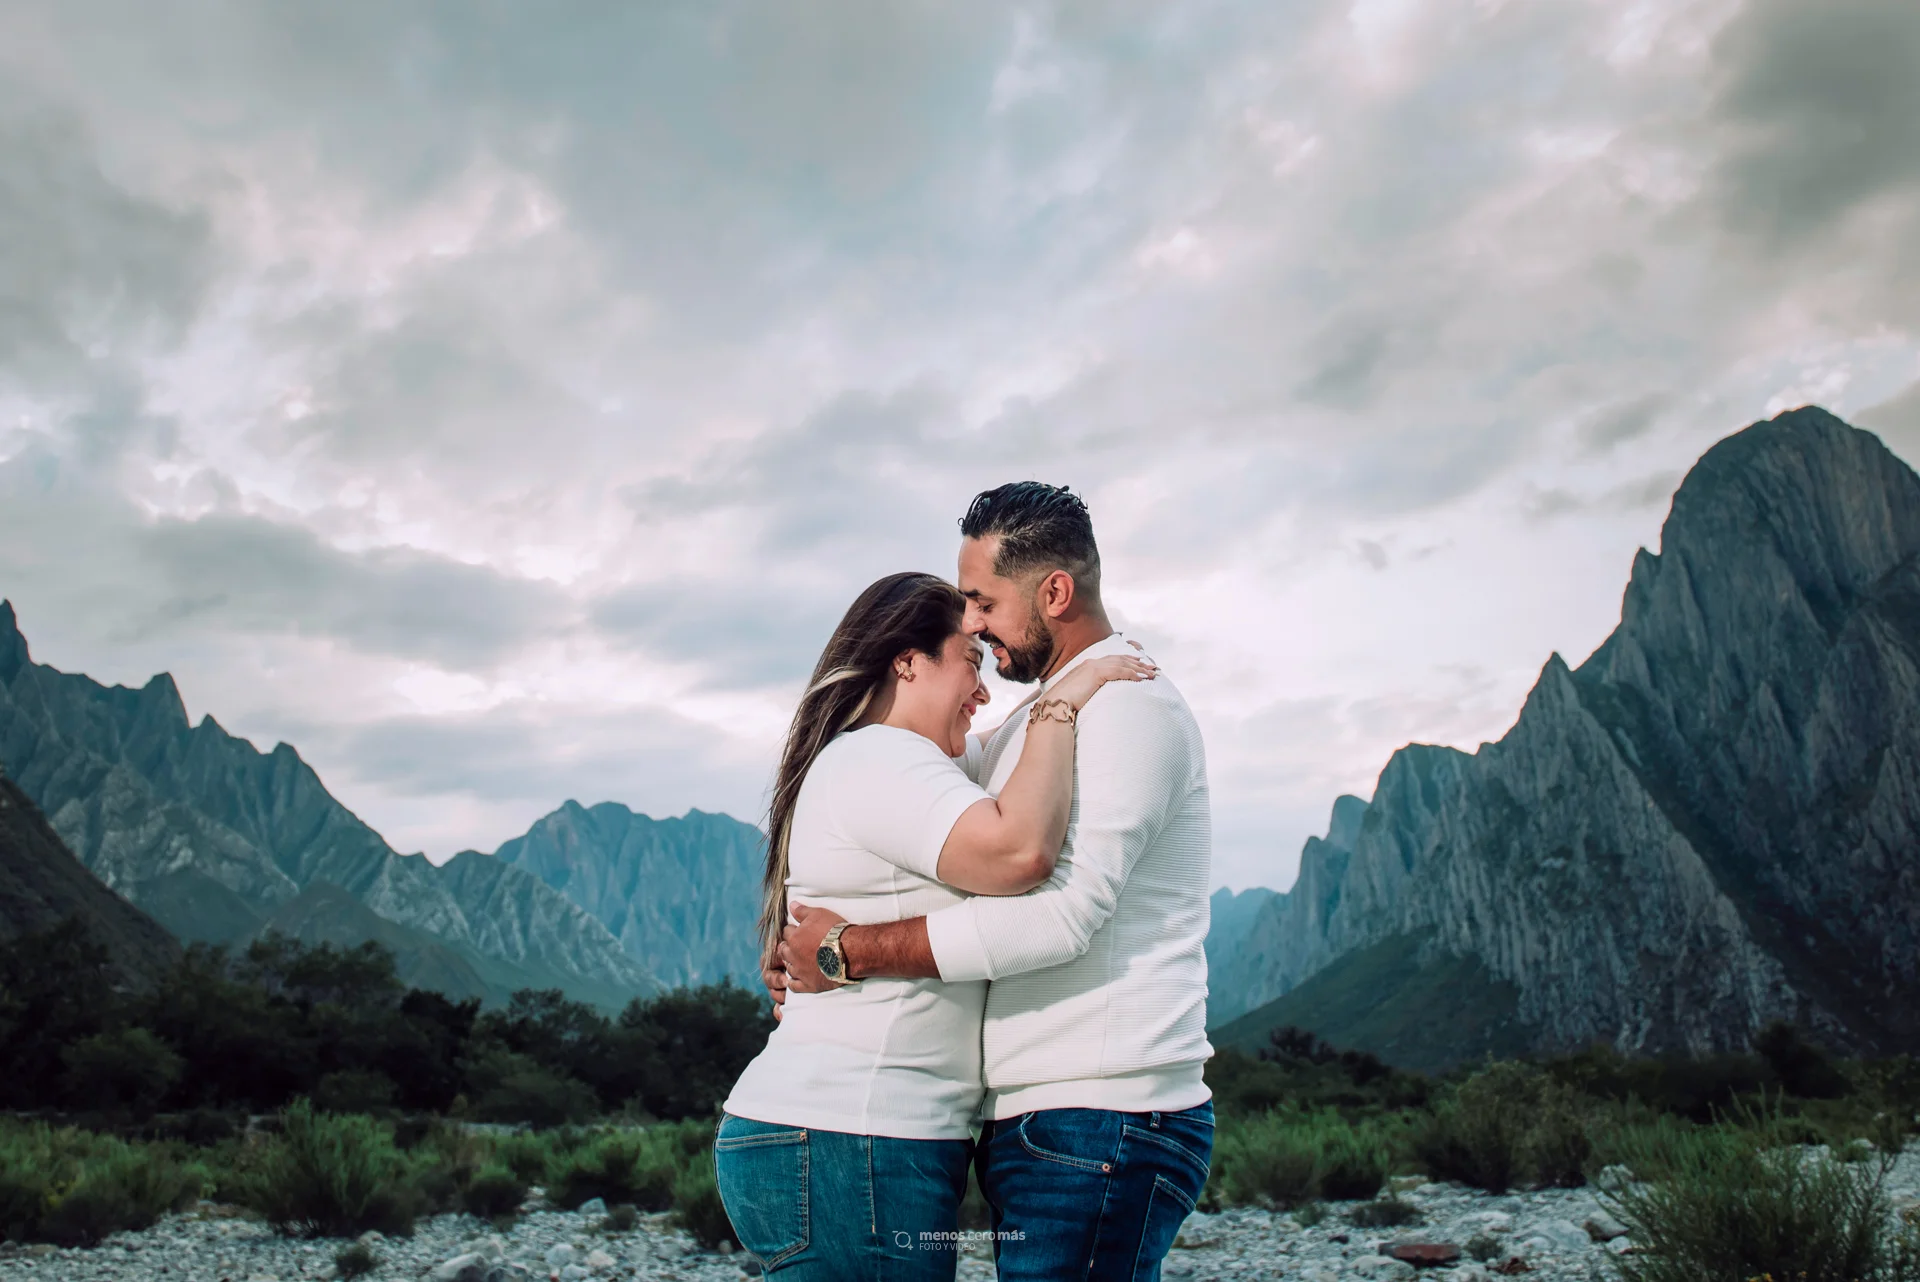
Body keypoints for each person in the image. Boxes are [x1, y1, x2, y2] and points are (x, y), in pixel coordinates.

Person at [777, 483, 1215, 1281]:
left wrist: (847, 951)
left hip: (1105, 1111)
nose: (969, 620)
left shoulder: (1126, 709)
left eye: (982, 601)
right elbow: (909, 821)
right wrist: (798, 946)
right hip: (1043, 1118)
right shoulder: (1032, 721)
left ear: (1054, 592)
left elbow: (1061, 917)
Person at [716, 568, 1157, 1280]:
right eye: (971, 662)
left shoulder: (920, 765)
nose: (983, 691)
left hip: (851, 1139)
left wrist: (1072, 676)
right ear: (908, 660)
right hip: (856, 1134)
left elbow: (1008, 751)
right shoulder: (879, 758)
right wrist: (1065, 701)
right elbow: (1020, 852)